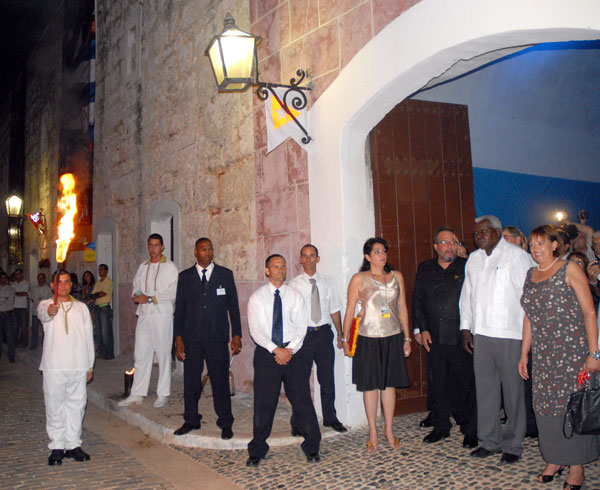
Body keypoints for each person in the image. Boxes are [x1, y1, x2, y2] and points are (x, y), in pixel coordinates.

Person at [519, 225, 600, 489]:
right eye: (532, 244)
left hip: (572, 354)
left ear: (555, 245)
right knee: (545, 408)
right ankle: (555, 457)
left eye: (541, 243)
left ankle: (576, 466)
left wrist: (594, 353)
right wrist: (524, 354)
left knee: (573, 408)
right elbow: (529, 316)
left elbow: (589, 313)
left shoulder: (570, 269)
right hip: (544, 356)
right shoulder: (531, 275)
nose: (536, 249)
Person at [460, 215, 533, 464]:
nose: (479, 235)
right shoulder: (473, 259)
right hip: (482, 335)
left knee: (513, 393)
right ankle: (490, 441)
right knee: (486, 391)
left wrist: (528, 337)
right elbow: (467, 296)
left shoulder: (516, 256)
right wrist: (465, 328)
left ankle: (513, 444)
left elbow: (528, 298)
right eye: (476, 232)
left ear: (498, 232)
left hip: (510, 334)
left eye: (485, 231)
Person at [246, 254, 320, 465]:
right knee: (264, 403)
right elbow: (256, 331)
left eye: (283, 266)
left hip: (293, 353)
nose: (280, 269)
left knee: (302, 400)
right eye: (275, 266)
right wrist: (275, 349)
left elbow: (301, 326)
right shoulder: (257, 298)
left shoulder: (295, 296)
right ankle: (258, 449)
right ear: (267, 271)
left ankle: (312, 446)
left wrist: (289, 349)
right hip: (267, 354)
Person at [342, 237, 411, 452]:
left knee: (389, 385)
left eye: (384, 250)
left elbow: (403, 308)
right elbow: (350, 309)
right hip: (367, 337)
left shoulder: (396, 277)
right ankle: (373, 430)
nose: (382, 255)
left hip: (393, 336)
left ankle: (388, 428)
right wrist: (345, 339)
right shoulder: (359, 279)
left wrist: (407, 338)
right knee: (370, 386)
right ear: (368, 256)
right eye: (377, 251)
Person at [413, 227, 477, 449]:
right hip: (435, 338)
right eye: (444, 242)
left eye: (453, 242)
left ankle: (471, 430)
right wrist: (422, 329)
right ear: (435, 247)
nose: (449, 246)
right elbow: (418, 302)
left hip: (461, 338)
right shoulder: (425, 269)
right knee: (439, 385)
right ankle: (441, 427)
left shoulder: (467, 267)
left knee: (467, 386)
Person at [173, 238, 241, 438]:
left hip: (217, 337)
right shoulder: (185, 277)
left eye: (211, 249)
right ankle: (191, 419)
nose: (208, 252)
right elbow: (180, 310)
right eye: (204, 249)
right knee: (191, 381)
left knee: (220, 380)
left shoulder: (225, 275)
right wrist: (178, 339)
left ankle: (225, 422)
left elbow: (234, 307)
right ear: (195, 252)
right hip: (192, 337)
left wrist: (236, 334)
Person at [38, 270, 94, 466]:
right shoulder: (46, 304)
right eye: (59, 282)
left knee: (77, 405)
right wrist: (50, 312)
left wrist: (90, 366)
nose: (62, 285)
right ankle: (57, 446)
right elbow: (44, 315)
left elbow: (88, 338)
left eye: (66, 282)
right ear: (53, 285)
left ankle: (73, 444)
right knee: (55, 406)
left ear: (71, 284)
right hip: (54, 366)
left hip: (78, 365)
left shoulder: (81, 308)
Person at [289, 244, 347, 434]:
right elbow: (289, 313)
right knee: (300, 380)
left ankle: (330, 417)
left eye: (311, 256)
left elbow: (335, 309)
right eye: (304, 256)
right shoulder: (294, 285)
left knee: (327, 379)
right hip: (303, 337)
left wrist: (340, 333)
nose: (308, 260)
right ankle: (298, 421)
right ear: (300, 259)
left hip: (323, 334)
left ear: (317, 259)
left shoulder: (327, 282)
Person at [119, 234, 178, 409]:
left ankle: (163, 393)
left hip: (161, 315)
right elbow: (136, 287)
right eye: (150, 245)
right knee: (141, 354)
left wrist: (151, 298)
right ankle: (137, 393)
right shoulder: (143, 267)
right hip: (144, 315)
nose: (153, 249)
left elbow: (172, 292)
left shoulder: (170, 267)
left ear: (162, 247)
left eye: (156, 245)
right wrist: (137, 296)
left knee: (163, 354)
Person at [91, 264, 114, 359]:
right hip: (97, 307)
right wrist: (97, 295)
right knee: (99, 332)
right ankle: (101, 352)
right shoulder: (98, 283)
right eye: (99, 270)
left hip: (104, 307)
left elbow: (102, 294)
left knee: (106, 332)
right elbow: (93, 294)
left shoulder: (109, 282)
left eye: (101, 270)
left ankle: (109, 353)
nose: (100, 271)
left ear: (106, 271)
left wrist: (96, 295)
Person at [29, 273, 52, 350]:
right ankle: (34, 344)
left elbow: (50, 300)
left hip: (44, 313)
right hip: (36, 312)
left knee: (44, 329)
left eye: (41, 278)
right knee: (34, 329)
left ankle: (44, 345)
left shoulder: (48, 289)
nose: (40, 280)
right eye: (38, 278)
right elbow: (31, 297)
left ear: (44, 279)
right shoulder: (34, 288)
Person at [0, 272, 16, 362]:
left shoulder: (11, 289)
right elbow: (5, 301)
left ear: (7, 279)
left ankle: (11, 355)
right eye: (1, 278)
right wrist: (4, 299)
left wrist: (2, 300)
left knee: (10, 335)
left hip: (8, 314)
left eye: (4, 278)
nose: (3, 280)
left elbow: (10, 302)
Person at [12, 268, 29, 348]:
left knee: (24, 327)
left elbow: (24, 293)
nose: (17, 276)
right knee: (15, 327)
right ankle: (16, 343)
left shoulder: (26, 283)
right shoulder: (13, 284)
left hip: (22, 308)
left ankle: (24, 343)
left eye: (18, 274)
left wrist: (16, 293)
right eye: (16, 274)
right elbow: (11, 294)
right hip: (14, 307)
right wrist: (17, 293)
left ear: (22, 274)